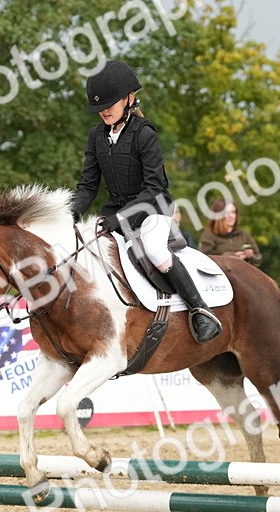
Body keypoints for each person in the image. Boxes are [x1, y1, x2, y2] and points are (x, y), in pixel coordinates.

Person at [71, 59, 221, 342]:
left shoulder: (144, 134)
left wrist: (120, 219)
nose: (103, 110)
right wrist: (71, 214)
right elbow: (88, 186)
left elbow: (153, 187)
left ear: (128, 98)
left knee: (155, 250)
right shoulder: (96, 137)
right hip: (116, 211)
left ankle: (200, 311)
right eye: (99, 107)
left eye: (110, 104)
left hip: (154, 208)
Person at [198, 199, 263, 267]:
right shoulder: (209, 236)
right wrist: (227, 257)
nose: (231, 216)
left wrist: (250, 256)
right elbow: (203, 262)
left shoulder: (243, 234)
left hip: (243, 275)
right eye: (226, 213)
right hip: (220, 276)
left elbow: (258, 259)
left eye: (233, 212)